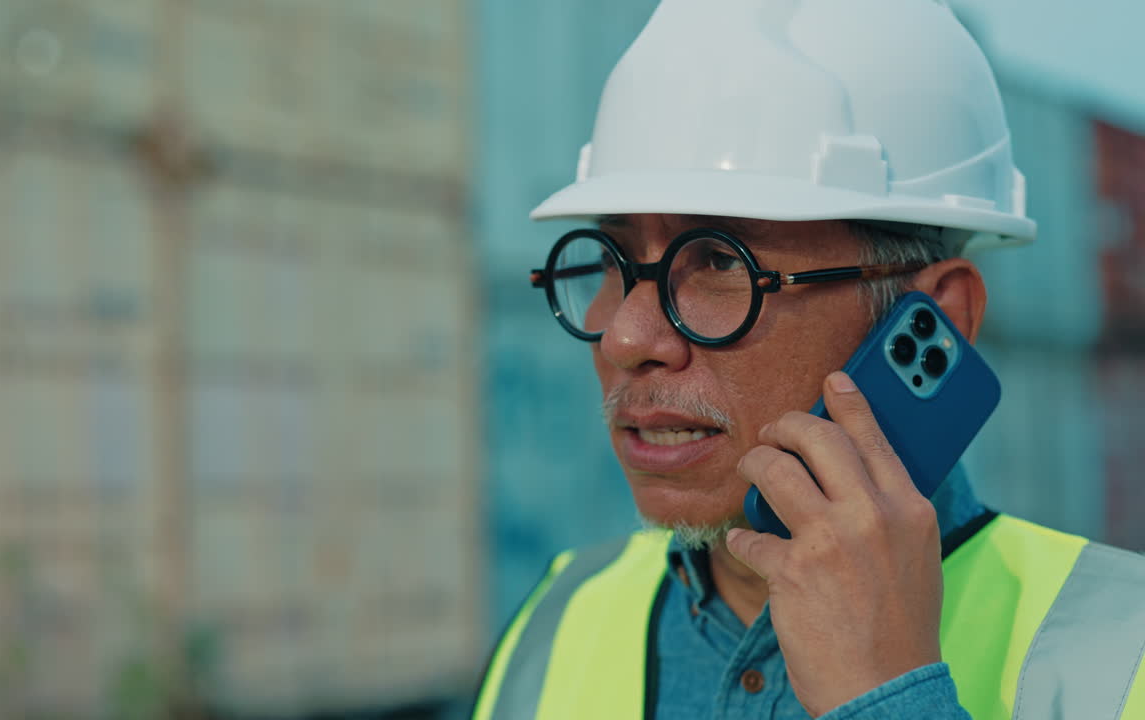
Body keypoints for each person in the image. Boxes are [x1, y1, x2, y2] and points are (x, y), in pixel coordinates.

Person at [471, 0, 1145, 718]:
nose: (626, 339)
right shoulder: (554, 621)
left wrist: (886, 701)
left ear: (937, 321)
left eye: (719, 262)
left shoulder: (1117, 653)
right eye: (613, 258)